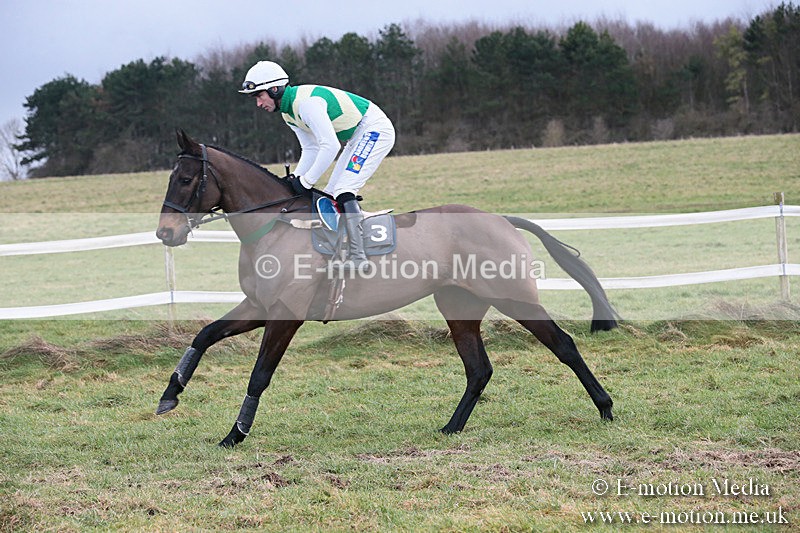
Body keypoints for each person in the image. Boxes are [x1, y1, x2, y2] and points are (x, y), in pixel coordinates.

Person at [239, 60, 396, 272]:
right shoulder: (288, 112)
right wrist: (295, 178)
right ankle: (341, 250)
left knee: (344, 189)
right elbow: (311, 149)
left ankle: (359, 256)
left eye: (259, 95)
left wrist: (306, 181)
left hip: (374, 130)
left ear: (274, 89)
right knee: (331, 195)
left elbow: (330, 146)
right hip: (354, 137)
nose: (258, 103)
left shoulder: (306, 104)